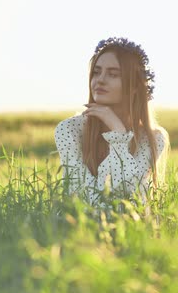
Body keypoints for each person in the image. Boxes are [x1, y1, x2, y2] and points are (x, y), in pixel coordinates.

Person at [54, 37, 169, 208]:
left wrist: (118, 135)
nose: (100, 80)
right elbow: (84, 198)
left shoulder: (154, 138)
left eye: (113, 74)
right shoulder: (69, 130)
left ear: (135, 87)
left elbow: (129, 201)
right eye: (96, 72)